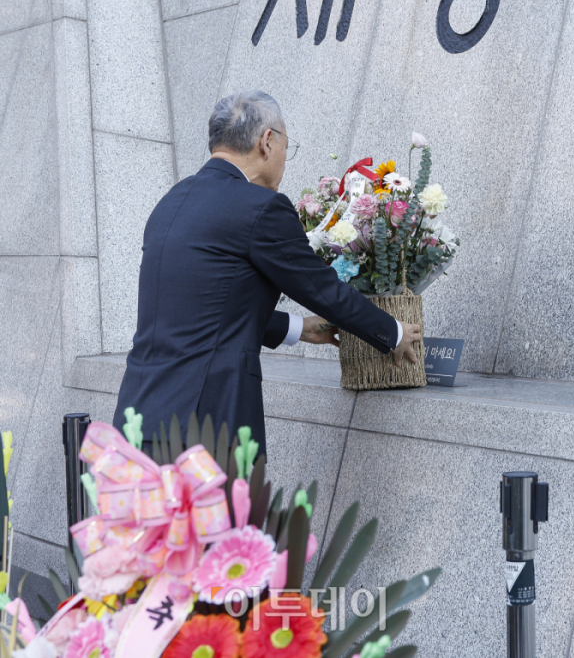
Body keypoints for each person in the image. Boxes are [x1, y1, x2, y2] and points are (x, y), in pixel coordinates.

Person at [114, 91, 421, 456]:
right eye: (286, 149)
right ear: (267, 141)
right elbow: (323, 290)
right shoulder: (260, 207)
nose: (284, 162)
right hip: (205, 432)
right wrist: (394, 332)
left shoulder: (171, 203)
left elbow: (197, 310)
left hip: (137, 422)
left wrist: (298, 329)